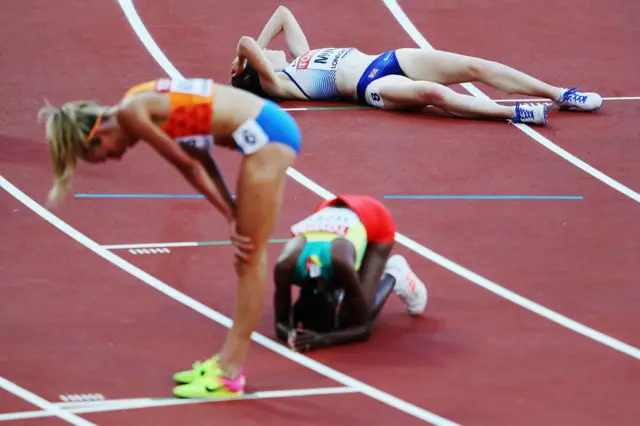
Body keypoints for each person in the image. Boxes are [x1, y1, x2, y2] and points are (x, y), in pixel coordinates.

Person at [38, 77, 301, 398]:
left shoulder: (134, 114)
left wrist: (231, 214)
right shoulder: (136, 100)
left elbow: (187, 166)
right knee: (247, 253)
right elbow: (200, 152)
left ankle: (230, 373)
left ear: (100, 135)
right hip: (264, 129)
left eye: (105, 155)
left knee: (249, 255)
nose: (115, 158)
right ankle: (225, 362)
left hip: (267, 137)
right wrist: (231, 211)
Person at [230, 5, 603, 127]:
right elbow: (247, 42)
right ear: (257, 72)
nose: (275, 51)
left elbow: (282, 13)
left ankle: (560, 94)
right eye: (266, 58)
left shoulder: (301, 55)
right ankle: (515, 112)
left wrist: (248, 57)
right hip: (371, 88)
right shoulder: (280, 82)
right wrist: (241, 60)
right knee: (433, 94)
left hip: (387, 60)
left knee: (475, 66)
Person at [272, 194, 427, 352]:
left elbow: (364, 327)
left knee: (352, 317)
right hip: (330, 210)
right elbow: (281, 324)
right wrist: (291, 334)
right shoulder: (284, 267)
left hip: (375, 217)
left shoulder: (340, 265)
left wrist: (324, 339)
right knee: (349, 300)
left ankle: (395, 274)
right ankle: (356, 282)